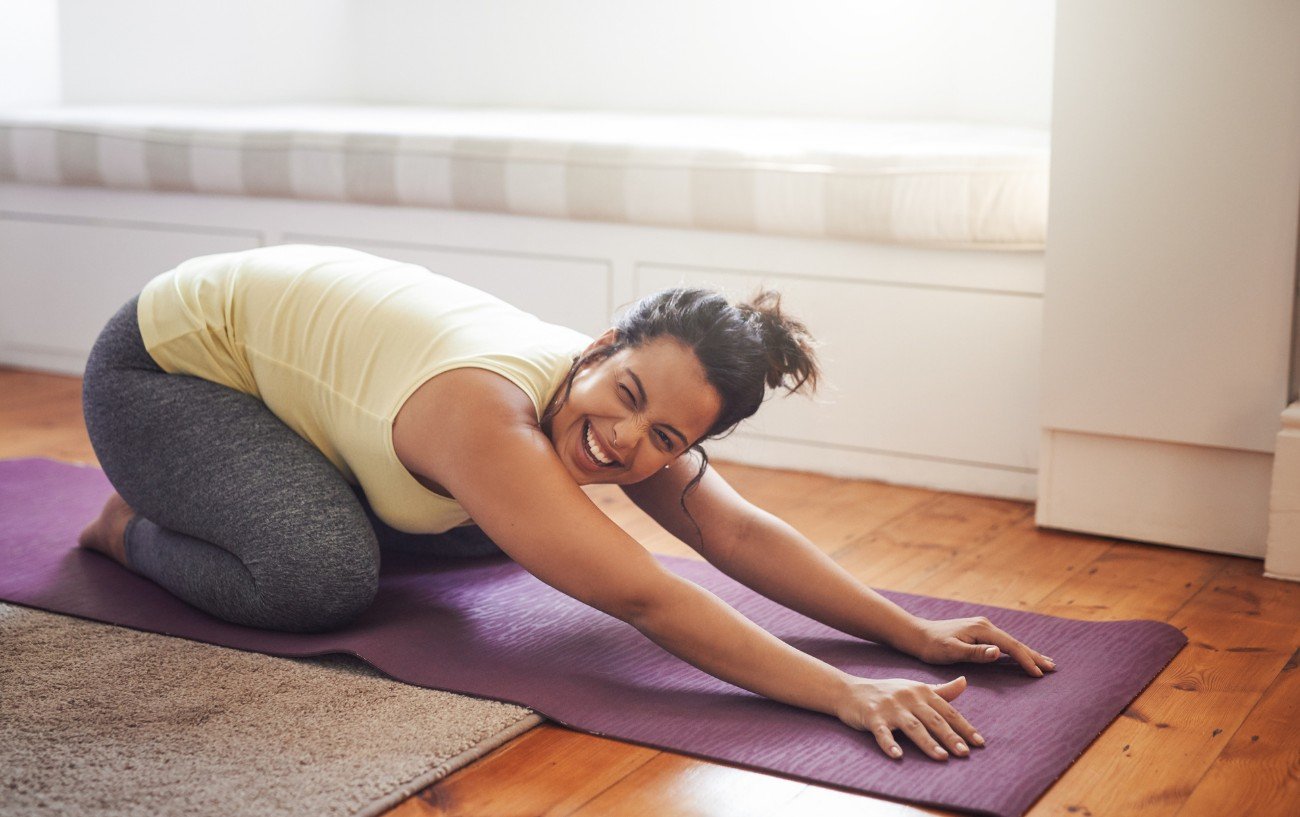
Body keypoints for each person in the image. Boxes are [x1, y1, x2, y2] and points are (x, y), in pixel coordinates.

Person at [77, 244, 1055, 763]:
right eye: (625, 396)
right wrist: (843, 691)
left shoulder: (620, 412)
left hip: (307, 411)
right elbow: (643, 597)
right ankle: (134, 526)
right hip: (163, 373)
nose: (627, 441)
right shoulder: (485, 409)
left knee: (525, 529)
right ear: (594, 348)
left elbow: (731, 527)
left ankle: (260, 499)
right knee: (319, 577)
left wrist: (905, 632)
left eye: (666, 438)